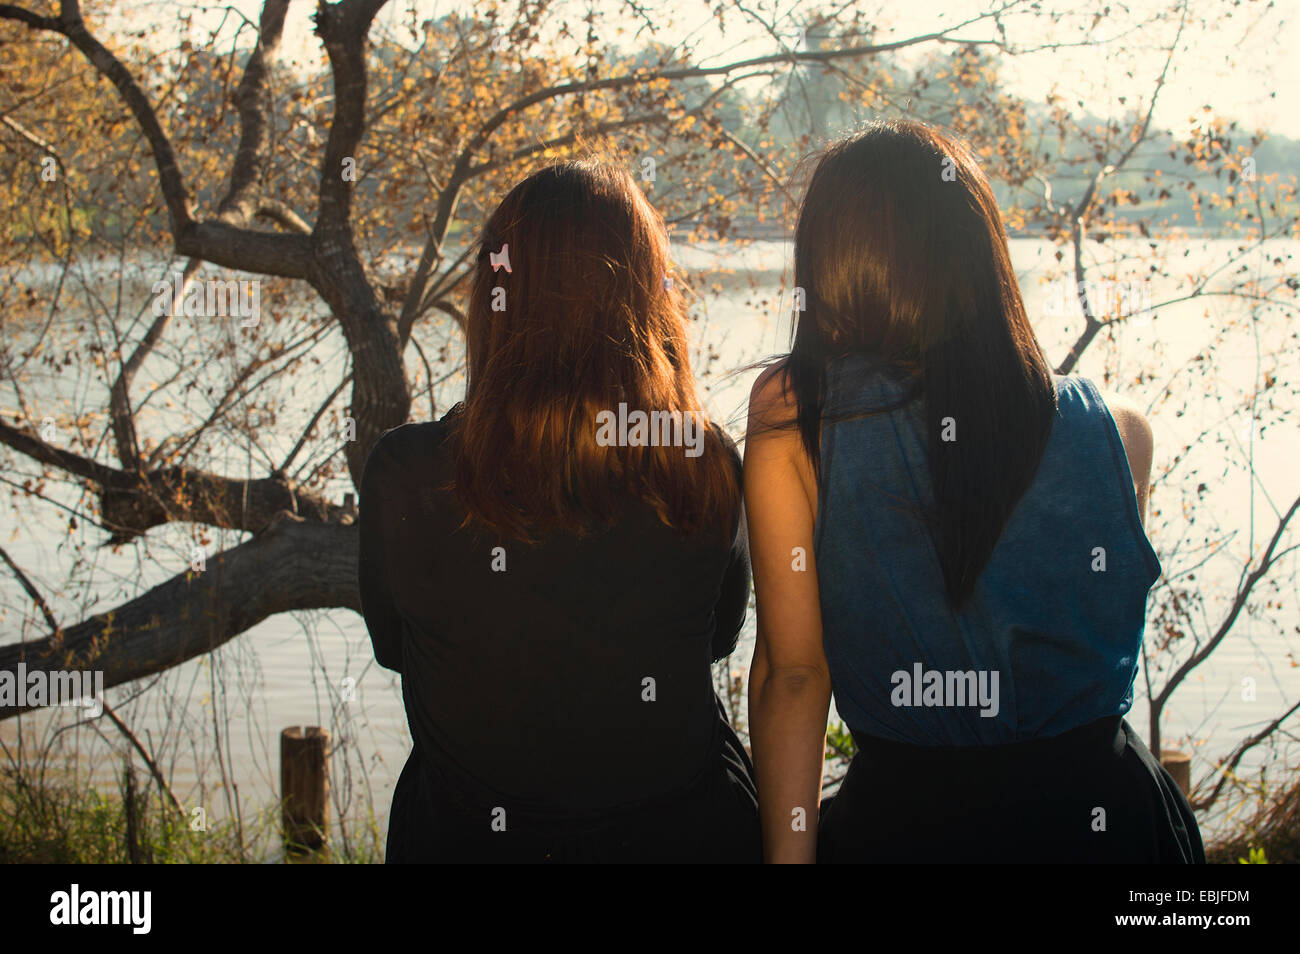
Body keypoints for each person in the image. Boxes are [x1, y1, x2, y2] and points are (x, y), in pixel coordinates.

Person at [744, 119, 1204, 863]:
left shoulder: (797, 414)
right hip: (1112, 825)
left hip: (913, 827)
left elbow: (795, 675)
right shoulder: (1123, 434)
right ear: (980, 256)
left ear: (832, 261)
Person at [359, 159, 760, 863]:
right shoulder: (705, 465)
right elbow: (717, 638)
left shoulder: (405, 473)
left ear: (494, 297)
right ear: (645, 296)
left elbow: (396, 650)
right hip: (685, 837)